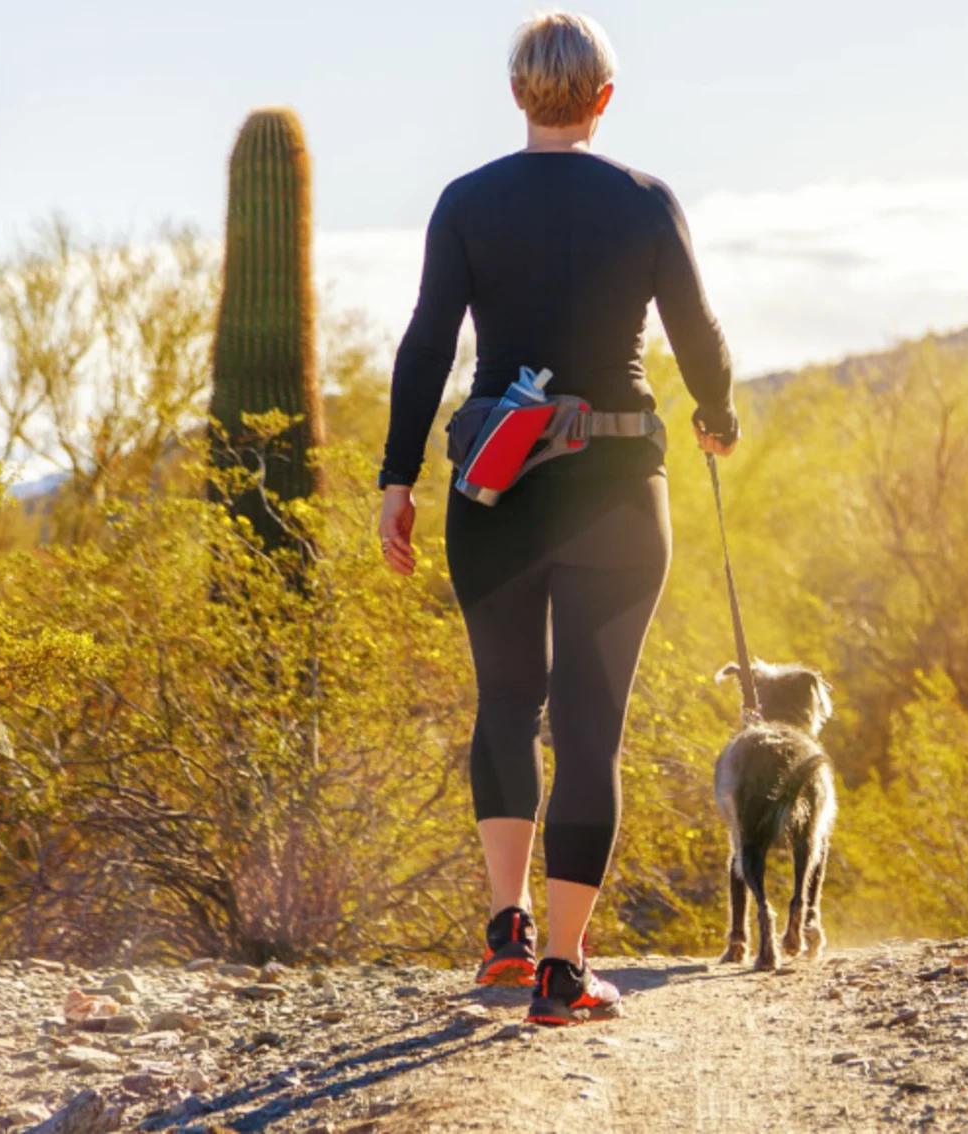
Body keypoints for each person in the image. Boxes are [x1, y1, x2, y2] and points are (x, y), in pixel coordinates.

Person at [376, 10, 738, 1026]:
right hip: (620, 486)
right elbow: (698, 333)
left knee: (504, 704)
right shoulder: (645, 201)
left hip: (492, 488)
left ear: (517, 93)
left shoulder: (465, 202)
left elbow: (425, 347)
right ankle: (566, 974)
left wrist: (396, 478)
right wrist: (718, 417)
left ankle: (505, 934)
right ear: (605, 99)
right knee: (589, 729)